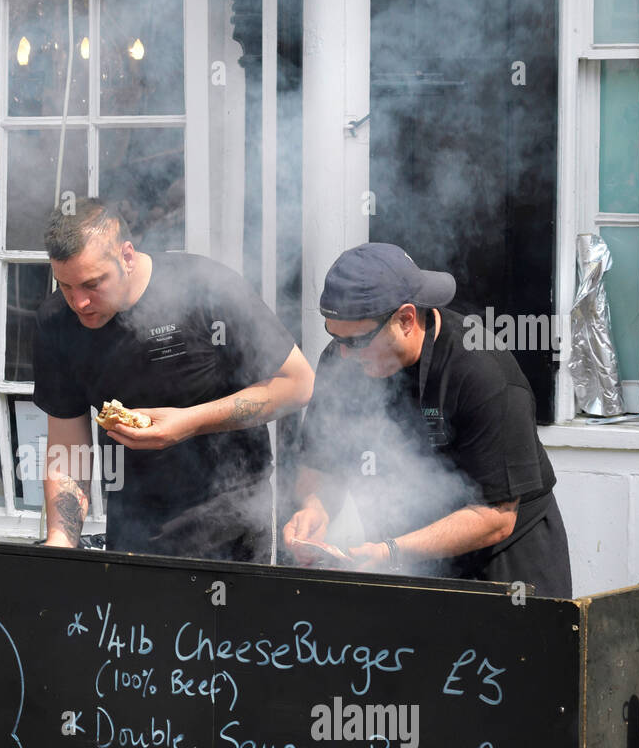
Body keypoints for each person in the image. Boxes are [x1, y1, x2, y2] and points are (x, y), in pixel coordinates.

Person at [283, 242, 570, 596]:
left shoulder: (482, 371)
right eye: (334, 336)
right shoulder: (341, 358)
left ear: (405, 319)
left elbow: (496, 517)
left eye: (356, 340)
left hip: (503, 565)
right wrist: (316, 508)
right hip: (400, 557)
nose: (342, 353)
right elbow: (321, 464)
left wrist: (391, 552)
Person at [33, 199, 314, 560]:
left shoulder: (206, 288)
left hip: (231, 518)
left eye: (92, 284)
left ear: (127, 256)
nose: (80, 303)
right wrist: (61, 542)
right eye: (66, 286)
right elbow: (68, 448)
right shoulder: (56, 321)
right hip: (132, 524)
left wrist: (190, 422)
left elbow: (297, 383)